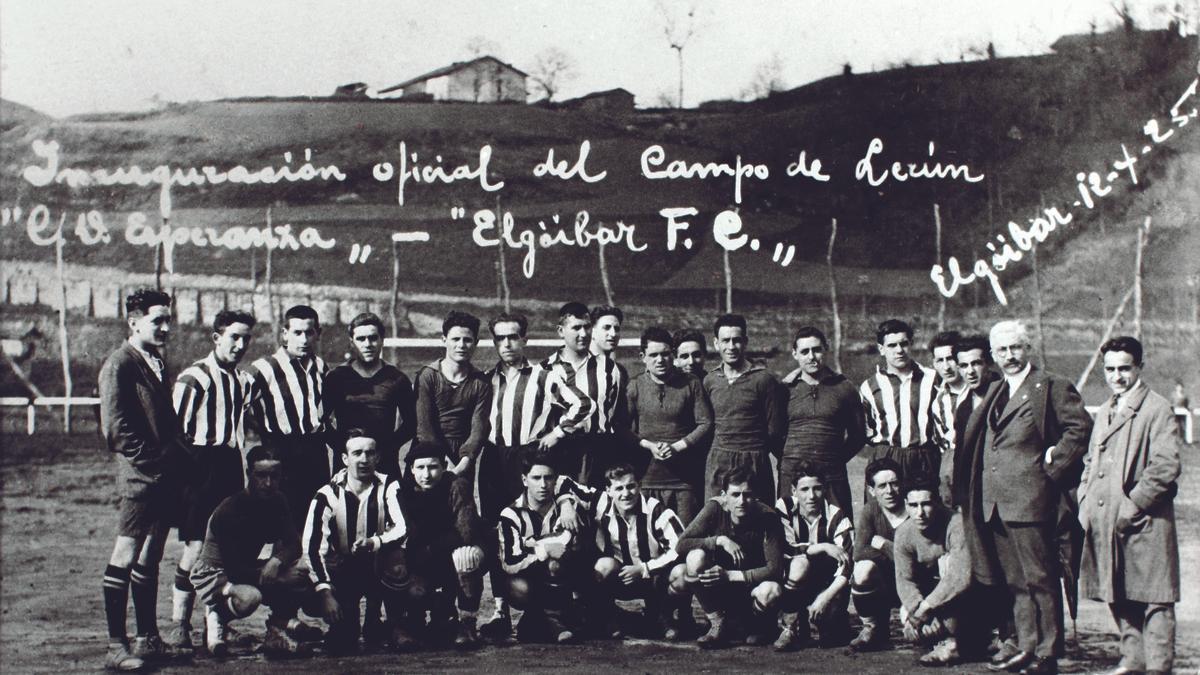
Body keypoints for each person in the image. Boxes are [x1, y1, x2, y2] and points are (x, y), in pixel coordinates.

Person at [957, 320, 1092, 675]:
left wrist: (1052, 465)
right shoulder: (996, 390)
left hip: (1032, 501)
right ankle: (1026, 646)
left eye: (1016, 347)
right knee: (1015, 582)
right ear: (994, 355)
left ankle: (1047, 653)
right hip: (995, 503)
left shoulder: (1050, 386)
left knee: (1041, 579)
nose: (1010, 356)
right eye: (1002, 350)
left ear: (1027, 348)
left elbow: (1079, 429)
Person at [478, 312, 593, 637]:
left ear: (525, 339)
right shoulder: (487, 379)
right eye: (500, 338)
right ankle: (501, 612)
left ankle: (548, 611)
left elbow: (583, 406)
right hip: (493, 460)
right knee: (497, 534)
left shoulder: (545, 375)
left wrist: (556, 433)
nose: (507, 344)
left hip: (529, 458)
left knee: (540, 529)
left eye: (513, 337)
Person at [1079, 337, 1181, 675]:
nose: (1117, 376)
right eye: (1110, 369)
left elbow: (1165, 467)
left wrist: (1132, 504)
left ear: (1139, 367)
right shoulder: (1106, 409)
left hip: (1145, 521)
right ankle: (1133, 659)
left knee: (1155, 598)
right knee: (1117, 590)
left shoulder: (1157, 408)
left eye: (1125, 368)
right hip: (1103, 518)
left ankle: (1158, 667)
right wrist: (1084, 498)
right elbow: (1091, 459)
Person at [99, 289, 187, 670]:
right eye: (157, 321)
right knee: (125, 553)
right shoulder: (120, 363)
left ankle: (147, 638)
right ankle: (116, 646)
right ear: (133, 322)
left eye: (169, 320)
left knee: (151, 555)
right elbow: (115, 429)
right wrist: (150, 464)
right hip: (141, 478)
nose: (165, 328)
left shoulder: (156, 360)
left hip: (164, 477)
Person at [167, 309, 256, 651]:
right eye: (234, 337)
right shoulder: (195, 377)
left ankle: (215, 626)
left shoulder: (243, 381)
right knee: (195, 549)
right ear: (216, 338)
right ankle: (180, 625)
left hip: (230, 466)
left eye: (246, 338)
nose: (240, 344)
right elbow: (176, 434)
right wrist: (186, 481)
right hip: (199, 466)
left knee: (223, 551)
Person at [190, 445, 319, 658]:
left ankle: (277, 630)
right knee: (251, 597)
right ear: (249, 473)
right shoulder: (231, 510)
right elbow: (233, 569)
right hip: (216, 574)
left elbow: (294, 544)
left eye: (274, 476)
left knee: (300, 571)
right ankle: (217, 615)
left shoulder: (278, 500)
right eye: (261, 475)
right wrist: (278, 577)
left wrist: (276, 561)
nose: (268, 483)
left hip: (247, 567)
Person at [302, 431, 407, 655]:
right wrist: (325, 592)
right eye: (356, 453)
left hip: (378, 564)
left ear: (378, 457)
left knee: (398, 560)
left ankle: (387, 619)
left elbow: (402, 528)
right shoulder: (327, 494)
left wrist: (375, 541)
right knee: (343, 640)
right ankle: (345, 620)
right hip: (344, 569)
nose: (364, 459)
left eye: (370, 453)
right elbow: (312, 548)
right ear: (344, 458)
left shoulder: (389, 485)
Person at [391, 440, 488, 649]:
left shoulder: (457, 486)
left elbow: (466, 532)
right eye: (420, 467)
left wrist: (434, 548)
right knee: (407, 579)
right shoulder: (402, 491)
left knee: (467, 555)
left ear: (444, 467)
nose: (426, 474)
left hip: (450, 556)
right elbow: (407, 534)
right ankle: (411, 620)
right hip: (420, 561)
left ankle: (466, 622)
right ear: (411, 469)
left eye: (433, 467)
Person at [675, 467, 785, 649]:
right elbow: (682, 544)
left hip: (750, 588)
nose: (741, 501)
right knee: (695, 558)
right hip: (721, 589)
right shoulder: (714, 508)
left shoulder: (768, 517)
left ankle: (755, 625)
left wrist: (730, 575)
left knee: (771, 590)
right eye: (735, 495)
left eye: (747, 495)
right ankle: (717, 622)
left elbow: (775, 569)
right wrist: (719, 540)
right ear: (724, 495)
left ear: (756, 496)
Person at [497, 451, 594, 644]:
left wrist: (567, 502)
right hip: (527, 579)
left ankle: (550, 618)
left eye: (548, 478)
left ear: (555, 480)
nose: (543, 485)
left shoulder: (566, 509)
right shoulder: (511, 513)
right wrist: (544, 551)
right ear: (525, 480)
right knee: (520, 586)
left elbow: (597, 496)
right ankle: (549, 619)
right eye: (536, 478)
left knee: (561, 561)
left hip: (564, 576)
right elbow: (510, 561)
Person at [248, 304, 329, 530]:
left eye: (309, 332)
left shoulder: (321, 367)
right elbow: (240, 405)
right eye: (297, 333)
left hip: (315, 450)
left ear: (318, 334)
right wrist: (262, 430)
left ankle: (310, 564)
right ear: (285, 334)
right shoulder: (263, 368)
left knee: (315, 515)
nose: (304, 339)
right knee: (281, 519)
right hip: (281, 450)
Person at [623, 326, 713, 525]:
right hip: (647, 478)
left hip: (684, 480)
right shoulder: (635, 385)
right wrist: (649, 446)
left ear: (672, 354)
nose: (660, 360)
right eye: (653, 355)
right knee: (649, 538)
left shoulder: (691, 383)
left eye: (665, 354)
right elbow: (622, 428)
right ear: (643, 356)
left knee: (684, 539)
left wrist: (677, 447)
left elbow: (705, 423)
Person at [591, 464, 691, 639]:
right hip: (622, 577)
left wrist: (644, 569)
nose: (626, 493)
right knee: (603, 566)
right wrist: (566, 505)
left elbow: (679, 548)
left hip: (655, 578)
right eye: (619, 488)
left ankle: (663, 615)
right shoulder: (601, 507)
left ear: (639, 486)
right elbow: (566, 485)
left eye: (631, 486)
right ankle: (611, 617)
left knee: (683, 573)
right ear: (608, 490)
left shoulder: (656, 509)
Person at [779, 326, 866, 517]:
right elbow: (773, 432)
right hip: (791, 476)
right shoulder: (784, 389)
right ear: (795, 354)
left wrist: (834, 458)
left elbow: (858, 435)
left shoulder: (844, 388)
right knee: (790, 531)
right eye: (804, 351)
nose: (811, 356)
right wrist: (790, 458)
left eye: (817, 350)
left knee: (839, 532)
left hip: (832, 477)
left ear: (826, 349)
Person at [702, 313, 785, 500]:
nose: (731, 347)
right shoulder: (710, 380)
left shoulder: (764, 379)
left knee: (757, 519)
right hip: (719, 460)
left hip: (754, 460)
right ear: (716, 343)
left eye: (736, 340)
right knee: (717, 518)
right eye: (725, 341)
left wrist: (756, 452)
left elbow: (774, 430)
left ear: (745, 342)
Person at [543, 302, 627, 486]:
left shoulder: (609, 368)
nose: (583, 334)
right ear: (560, 331)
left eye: (587, 327)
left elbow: (615, 414)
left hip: (601, 449)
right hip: (562, 449)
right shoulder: (546, 368)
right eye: (576, 328)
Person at [772, 462, 853, 651]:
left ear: (824, 489)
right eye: (804, 489)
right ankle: (789, 625)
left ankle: (827, 619)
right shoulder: (784, 507)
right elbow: (785, 549)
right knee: (799, 564)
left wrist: (824, 598)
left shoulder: (837, 516)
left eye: (817, 489)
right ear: (794, 490)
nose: (811, 496)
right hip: (793, 580)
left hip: (825, 584)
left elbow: (848, 564)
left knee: (830, 638)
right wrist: (822, 547)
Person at [325, 312, 417, 478]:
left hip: (385, 463)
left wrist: (388, 446)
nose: (368, 344)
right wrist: (343, 446)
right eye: (361, 339)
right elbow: (323, 421)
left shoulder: (397, 378)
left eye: (373, 338)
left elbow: (411, 423)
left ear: (382, 340)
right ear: (351, 342)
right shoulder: (336, 377)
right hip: (347, 463)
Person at [894, 476, 973, 667]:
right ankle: (943, 636)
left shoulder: (956, 523)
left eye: (926, 504)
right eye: (913, 505)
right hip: (927, 600)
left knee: (946, 563)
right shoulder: (903, 533)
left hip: (960, 594)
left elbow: (960, 577)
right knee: (909, 626)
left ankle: (952, 642)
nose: (920, 513)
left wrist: (925, 609)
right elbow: (905, 580)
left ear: (937, 502)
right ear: (906, 504)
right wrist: (916, 610)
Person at [859, 319, 939, 490]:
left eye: (904, 344)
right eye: (892, 345)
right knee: (884, 512)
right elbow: (866, 428)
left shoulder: (932, 379)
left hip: (923, 456)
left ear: (911, 344)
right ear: (881, 349)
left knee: (924, 511)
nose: (899, 350)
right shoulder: (870, 386)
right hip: (886, 456)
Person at [415, 310, 491, 478]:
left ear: (476, 342)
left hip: (463, 458)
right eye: (455, 339)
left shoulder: (481, 382)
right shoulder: (428, 376)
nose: (461, 345)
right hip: (428, 454)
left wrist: (463, 464)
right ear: (444, 340)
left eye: (467, 340)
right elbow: (424, 427)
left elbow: (478, 429)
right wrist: (443, 463)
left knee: (460, 502)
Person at [848, 457, 909, 652]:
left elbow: (921, 557)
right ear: (872, 490)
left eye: (894, 484)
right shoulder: (871, 510)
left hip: (913, 581)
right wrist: (895, 554)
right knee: (863, 569)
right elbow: (859, 552)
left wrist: (884, 544)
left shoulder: (914, 508)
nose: (889, 491)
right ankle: (872, 627)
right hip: (885, 582)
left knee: (918, 635)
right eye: (882, 486)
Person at [940, 335, 1001, 509]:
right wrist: (960, 499)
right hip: (976, 496)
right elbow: (961, 457)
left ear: (988, 363)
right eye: (964, 366)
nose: (970, 372)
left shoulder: (1007, 396)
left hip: (1008, 496)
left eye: (976, 363)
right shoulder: (964, 408)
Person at [929, 330, 967, 458]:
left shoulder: (980, 390)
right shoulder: (939, 403)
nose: (946, 367)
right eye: (940, 360)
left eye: (950, 359)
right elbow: (944, 448)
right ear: (934, 364)